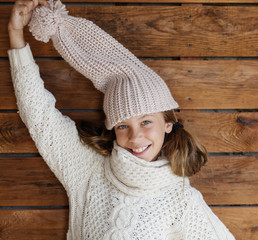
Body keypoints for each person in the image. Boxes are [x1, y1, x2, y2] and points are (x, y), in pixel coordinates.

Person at [8, 0, 235, 239]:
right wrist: (15, 33)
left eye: (146, 121)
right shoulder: (88, 170)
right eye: (123, 125)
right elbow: (38, 114)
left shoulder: (181, 199)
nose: (135, 137)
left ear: (167, 124)